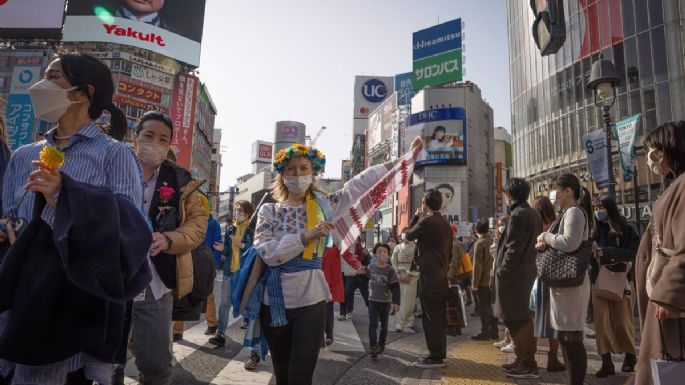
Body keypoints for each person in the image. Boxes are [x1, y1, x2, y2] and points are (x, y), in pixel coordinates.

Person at [0, 53, 149, 385]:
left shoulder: (114, 153)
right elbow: (9, 214)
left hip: (74, 296)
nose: (41, 85)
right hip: (21, 286)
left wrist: (63, 196)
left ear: (82, 93)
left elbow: (127, 229)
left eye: (54, 77)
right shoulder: (25, 154)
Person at [243, 138, 423, 385]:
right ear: (281, 175)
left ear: (313, 172)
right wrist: (307, 235)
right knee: (282, 374)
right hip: (273, 301)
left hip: (312, 301)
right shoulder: (269, 211)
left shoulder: (326, 206)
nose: (297, 174)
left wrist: (403, 159)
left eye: (303, 168)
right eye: (290, 169)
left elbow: (359, 184)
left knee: (302, 376)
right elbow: (267, 252)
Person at [130, 111, 207, 385]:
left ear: (170, 145)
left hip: (155, 282)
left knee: (156, 366)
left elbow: (198, 225)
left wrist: (169, 239)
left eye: (163, 139)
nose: (155, 143)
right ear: (134, 138)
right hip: (110, 280)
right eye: (148, 135)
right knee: (105, 361)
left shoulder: (180, 180)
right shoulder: (115, 166)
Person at [634, 121, 685, 385]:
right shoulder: (675, 185)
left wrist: (670, 295)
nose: (650, 158)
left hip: (669, 303)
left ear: (665, 148)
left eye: (652, 150)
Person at [536, 175, 592, 385]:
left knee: (572, 339)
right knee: (565, 337)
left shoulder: (575, 212)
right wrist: (544, 241)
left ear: (568, 191)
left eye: (555, 190)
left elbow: (569, 243)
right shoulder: (566, 214)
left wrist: (545, 237)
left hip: (572, 285)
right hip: (565, 284)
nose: (553, 194)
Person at [493, 178, 542, 379]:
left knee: (517, 319)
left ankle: (528, 363)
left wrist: (503, 270)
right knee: (519, 318)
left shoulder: (518, 215)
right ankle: (522, 360)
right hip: (526, 274)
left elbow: (514, 248)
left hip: (515, 278)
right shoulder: (531, 214)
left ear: (509, 195)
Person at [590, 195, 639, 378]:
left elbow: (633, 252)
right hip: (599, 281)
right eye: (595, 207)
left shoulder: (625, 229)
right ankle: (606, 362)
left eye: (600, 207)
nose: (597, 210)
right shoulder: (593, 231)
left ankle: (630, 357)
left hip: (622, 280)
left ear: (609, 209)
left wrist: (607, 252)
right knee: (601, 324)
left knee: (623, 321)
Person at [406, 189, 453, 368]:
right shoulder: (446, 224)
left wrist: (416, 216)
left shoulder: (426, 221)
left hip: (429, 275)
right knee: (439, 316)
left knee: (430, 316)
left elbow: (408, 235)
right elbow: (449, 252)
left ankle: (435, 356)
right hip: (441, 274)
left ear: (425, 203)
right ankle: (440, 353)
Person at [171, 194, 222, 340]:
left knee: (207, 294)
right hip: (187, 259)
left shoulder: (212, 224)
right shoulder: (184, 222)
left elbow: (217, 244)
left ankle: (212, 324)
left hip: (205, 262)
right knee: (181, 292)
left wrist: (215, 265)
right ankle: (177, 331)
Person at [209, 200, 254, 347]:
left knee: (246, 304)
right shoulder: (230, 229)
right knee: (224, 303)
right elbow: (228, 250)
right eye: (236, 211)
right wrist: (223, 248)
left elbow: (254, 250)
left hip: (244, 273)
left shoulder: (252, 230)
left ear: (247, 213)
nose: (238, 214)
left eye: (240, 212)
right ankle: (220, 333)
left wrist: (241, 244)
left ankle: (252, 338)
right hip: (229, 271)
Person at [529, 196, 565, 373]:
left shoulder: (532, 227)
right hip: (551, 278)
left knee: (533, 319)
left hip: (533, 278)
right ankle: (553, 358)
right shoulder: (555, 226)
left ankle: (529, 358)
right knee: (553, 321)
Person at [321, 244, 364, 346]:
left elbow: (347, 254)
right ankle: (319, 336)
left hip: (330, 278)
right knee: (315, 309)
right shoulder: (313, 236)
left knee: (328, 307)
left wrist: (357, 264)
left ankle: (329, 334)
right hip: (314, 277)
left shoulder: (336, 240)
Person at [367, 243, 400, 359]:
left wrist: (396, 302)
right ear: (375, 254)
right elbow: (364, 278)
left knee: (384, 325)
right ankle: (373, 346)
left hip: (385, 302)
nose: (382, 253)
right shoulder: (370, 267)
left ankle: (381, 344)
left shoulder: (390, 270)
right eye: (379, 251)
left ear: (388, 255)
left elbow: (395, 286)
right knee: (373, 324)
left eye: (385, 252)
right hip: (373, 300)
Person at [470, 218, 498, 341]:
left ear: (476, 230)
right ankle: (495, 332)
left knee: (484, 308)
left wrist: (474, 284)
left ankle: (485, 332)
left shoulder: (479, 243)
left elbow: (477, 266)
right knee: (493, 306)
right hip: (494, 279)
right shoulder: (493, 240)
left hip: (483, 281)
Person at [391, 230, 418, 332]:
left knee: (409, 300)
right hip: (399, 274)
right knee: (400, 299)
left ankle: (409, 318)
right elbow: (394, 261)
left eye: (407, 234)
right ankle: (400, 322)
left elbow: (418, 262)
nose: (405, 236)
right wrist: (396, 273)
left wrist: (411, 274)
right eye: (403, 233)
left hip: (411, 276)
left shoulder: (416, 247)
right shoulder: (398, 247)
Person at [341, 238, 370, 320]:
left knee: (364, 292)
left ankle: (370, 308)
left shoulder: (357, 244)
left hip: (356, 272)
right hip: (344, 271)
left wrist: (354, 258)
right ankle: (344, 312)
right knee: (345, 291)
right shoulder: (340, 241)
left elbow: (362, 257)